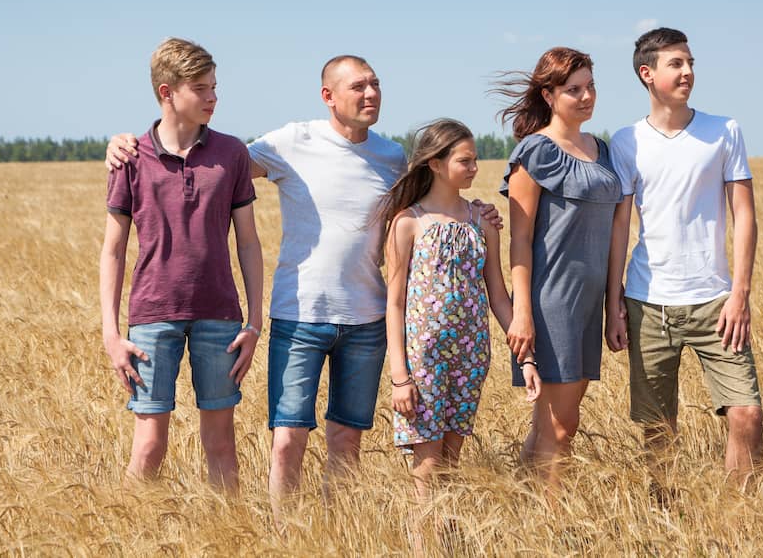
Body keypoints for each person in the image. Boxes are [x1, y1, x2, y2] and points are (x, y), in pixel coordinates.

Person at [106, 55, 501, 517]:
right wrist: (124, 143)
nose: (371, 94)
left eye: (375, 84)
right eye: (359, 86)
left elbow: (436, 192)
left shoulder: (393, 157)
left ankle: (335, 533)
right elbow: (212, 158)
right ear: (327, 96)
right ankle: (283, 534)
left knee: (346, 442)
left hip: (367, 319)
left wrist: (476, 211)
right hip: (299, 315)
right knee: (287, 440)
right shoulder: (292, 141)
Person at [99, 37, 263, 493]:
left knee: (222, 444)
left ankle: (229, 529)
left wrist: (255, 321)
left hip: (220, 316)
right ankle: (130, 527)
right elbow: (113, 250)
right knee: (149, 446)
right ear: (167, 92)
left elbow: (249, 243)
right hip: (152, 316)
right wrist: (111, 333)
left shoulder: (231, 153)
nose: (213, 97)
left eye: (215, 87)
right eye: (201, 88)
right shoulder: (131, 157)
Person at [605, 27, 763, 487]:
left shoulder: (724, 131)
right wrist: (613, 301)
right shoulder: (626, 141)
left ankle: (738, 515)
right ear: (647, 73)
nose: (688, 72)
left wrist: (740, 294)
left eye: (690, 62)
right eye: (676, 64)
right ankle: (666, 513)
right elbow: (620, 225)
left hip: (717, 301)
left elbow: (744, 214)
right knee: (658, 427)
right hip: (647, 301)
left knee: (747, 414)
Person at [378, 119, 540, 503]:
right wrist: (399, 376)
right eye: (465, 161)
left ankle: (448, 531)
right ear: (436, 164)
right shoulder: (408, 222)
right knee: (427, 464)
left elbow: (498, 295)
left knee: (451, 461)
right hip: (424, 359)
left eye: (475, 160)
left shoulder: (482, 222)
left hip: (470, 357)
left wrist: (526, 358)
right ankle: (422, 534)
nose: (474, 168)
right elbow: (394, 303)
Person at [494, 47, 624, 490]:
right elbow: (520, 240)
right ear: (548, 95)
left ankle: (521, 505)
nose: (586, 97)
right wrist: (522, 314)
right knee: (562, 425)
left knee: (552, 424)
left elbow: (615, 234)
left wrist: (613, 305)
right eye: (573, 89)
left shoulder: (602, 150)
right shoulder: (535, 152)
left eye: (590, 86)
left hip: (589, 303)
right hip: (552, 303)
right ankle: (554, 520)